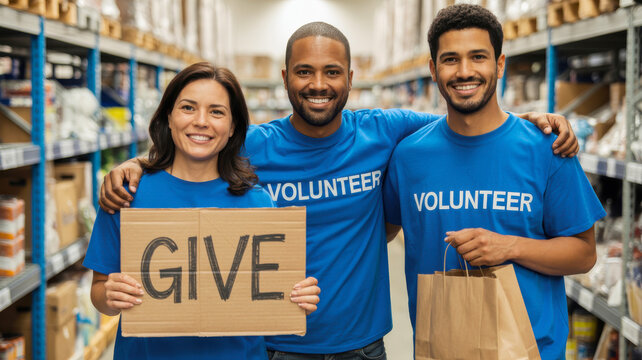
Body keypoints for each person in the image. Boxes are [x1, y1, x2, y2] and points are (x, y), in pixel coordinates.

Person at [97, 23, 579, 359]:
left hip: (363, 345)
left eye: (332, 72)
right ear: (286, 78)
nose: (318, 84)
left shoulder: (386, 131)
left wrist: (537, 119)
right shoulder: (253, 147)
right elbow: (198, 140)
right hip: (275, 344)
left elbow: (469, 115)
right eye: (304, 72)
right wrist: (141, 164)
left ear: (351, 78)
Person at [382, 4, 606, 359]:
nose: (465, 71)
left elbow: (584, 253)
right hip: (442, 347)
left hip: (530, 349)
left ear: (499, 64)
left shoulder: (546, 147)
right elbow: (379, 232)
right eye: (450, 59)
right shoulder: (409, 156)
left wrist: (510, 247)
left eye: (478, 57)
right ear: (433, 69)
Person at [83, 62, 320, 360]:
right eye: (188, 108)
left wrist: (297, 297)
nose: (201, 121)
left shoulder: (256, 203)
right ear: (168, 116)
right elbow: (99, 291)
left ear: (233, 126)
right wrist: (110, 297)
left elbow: (270, 293)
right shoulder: (127, 194)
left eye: (217, 111)